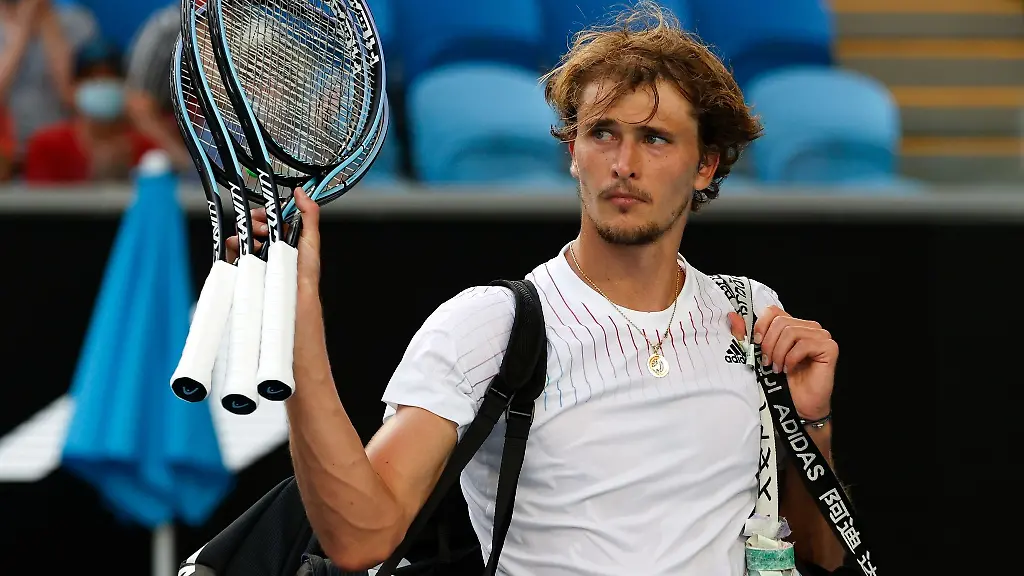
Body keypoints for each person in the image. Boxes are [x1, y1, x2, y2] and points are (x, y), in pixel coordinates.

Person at [228, 4, 847, 574]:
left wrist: (811, 422)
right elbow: (361, 537)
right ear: (573, 150)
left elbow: (820, 554)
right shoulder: (486, 326)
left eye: (655, 139)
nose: (623, 163)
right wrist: (296, 323)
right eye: (602, 133)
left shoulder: (752, 313)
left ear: (705, 165)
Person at [23, 36, 158, 183]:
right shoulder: (47, 145)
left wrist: (149, 123)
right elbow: (38, 196)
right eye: (91, 77)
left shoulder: (145, 147)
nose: (101, 84)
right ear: (74, 87)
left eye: (109, 77)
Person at [0, 0, 96, 168]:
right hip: (7, 159)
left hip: (60, 154)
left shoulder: (77, 22)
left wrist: (50, 28)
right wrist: (22, 34)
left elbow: (72, 95)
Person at [123, 3, 191, 173]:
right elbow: (138, 105)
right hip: (181, 156)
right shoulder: (167, 29)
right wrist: (189, 165)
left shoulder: (251, 26)